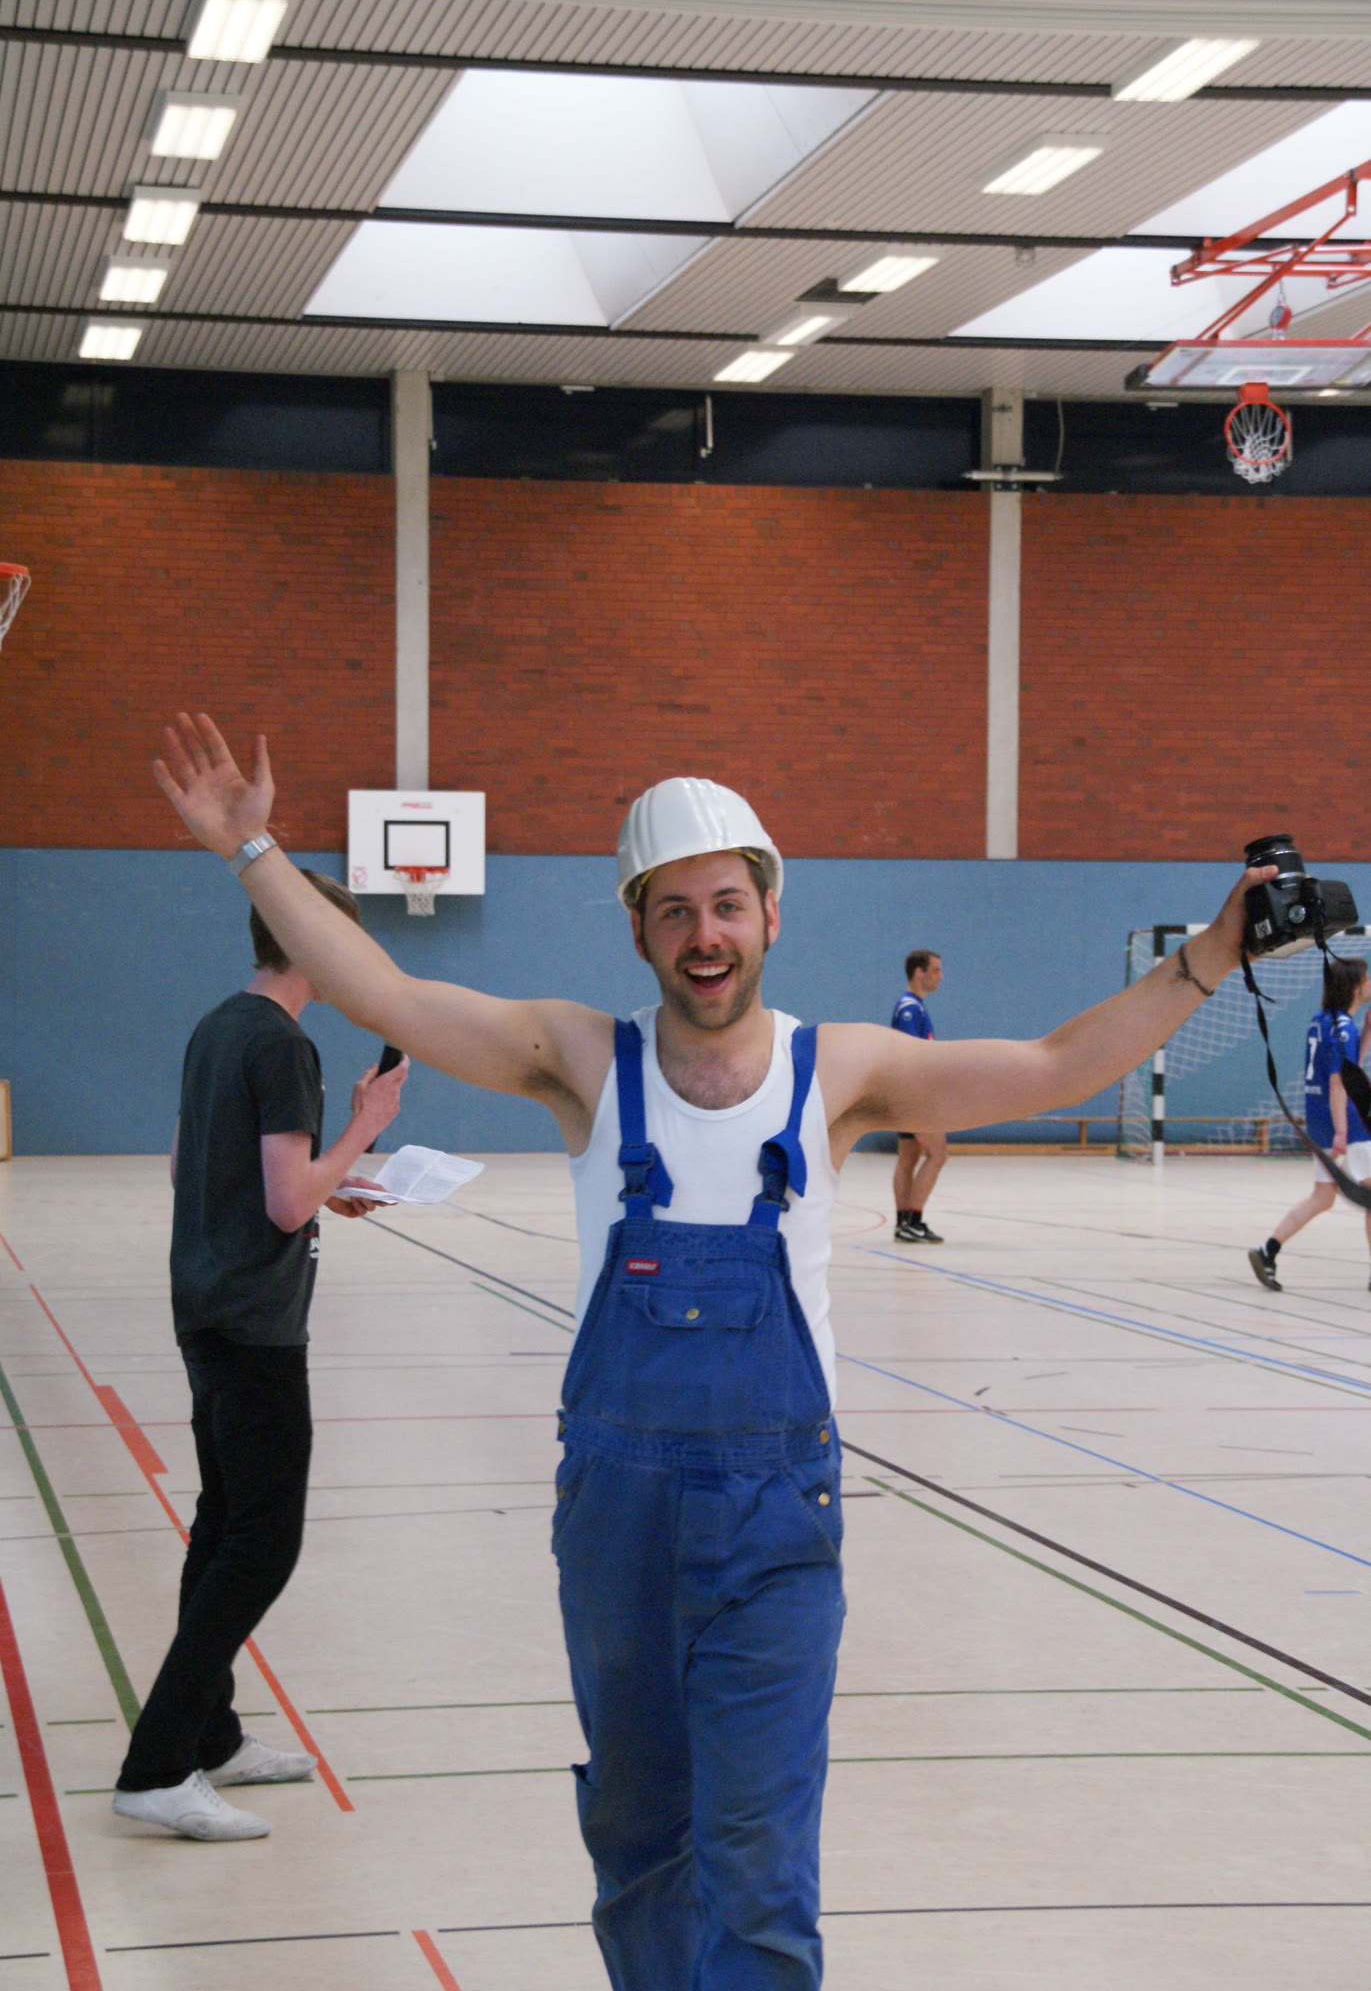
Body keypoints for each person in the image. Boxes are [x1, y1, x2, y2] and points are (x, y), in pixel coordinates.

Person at [150, 716, 1271, 1982]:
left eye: (728, 903)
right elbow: (385, 994)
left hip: (774, 1522)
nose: (705, 934)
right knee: (638, 1842)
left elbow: (1056, 1065)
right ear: (638, 929)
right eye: (675, 908)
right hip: (616, 1520)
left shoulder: (837, 1070)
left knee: (759, 1861)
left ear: (771, 914)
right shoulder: (581, 1059)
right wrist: (252, 849)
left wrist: (1210, 957)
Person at [112, 871, 409, 1843]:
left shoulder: (218, 1026)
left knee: (222, 1523)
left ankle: (212, 1734)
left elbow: (190, 1166)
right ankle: (158, 1765)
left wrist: (331, 1183)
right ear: (315, 945)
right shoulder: (285, 1044)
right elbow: (284, 1205)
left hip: (205, 1310)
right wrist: (364, 1124)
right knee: (261, 1543)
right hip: (255, 1326)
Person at [1247, 955, 1371, 1294]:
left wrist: (1367, 1031)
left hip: (1318, 1121)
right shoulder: (1343, 1028)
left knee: (1322, 1196)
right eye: (1367, 979)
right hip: (1347, 1123)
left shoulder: (1322, 1021)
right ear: (1357, 988)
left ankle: (1268, 1249)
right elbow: (1338, 1083)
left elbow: (1347, 1069)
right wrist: (1342, 1132)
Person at [890, 948, 947, 1243]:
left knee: (908, 1157)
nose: (940, 976)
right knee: (937, 1154)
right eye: (935, 970)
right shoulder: (910, 1010)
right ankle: (913, 1220)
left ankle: (904, 1224)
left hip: (905, 1095)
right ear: (918, 972)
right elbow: (912, 1056)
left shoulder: (913, 1007)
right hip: (914, 1096)